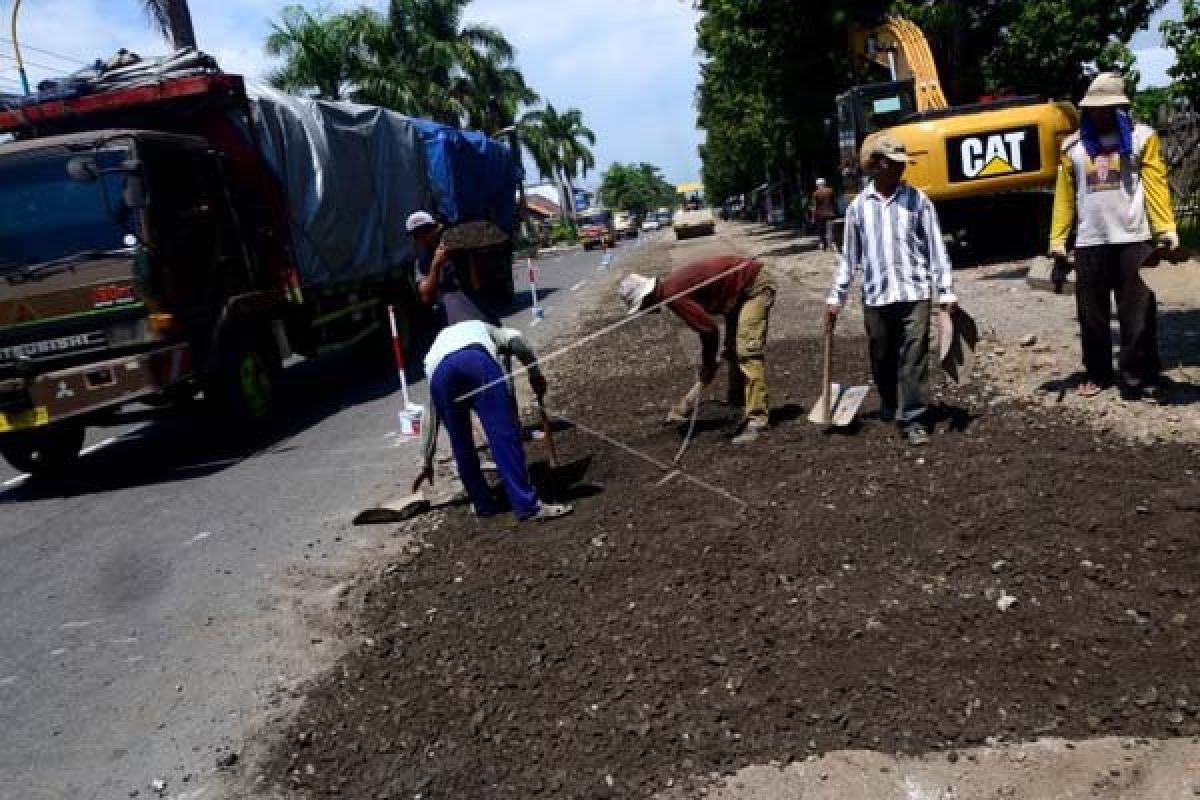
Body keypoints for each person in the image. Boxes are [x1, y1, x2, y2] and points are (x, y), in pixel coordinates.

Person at [1049, 72, 1179, 402]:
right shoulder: (1073, 147)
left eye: (1108, 108)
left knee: (1138, 314)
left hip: (1134, 237)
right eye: (1096, 108)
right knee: (1091, 315)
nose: (1101, 113)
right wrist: (1058, 239)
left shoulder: (1141, 138)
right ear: (1087, 109)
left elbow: (1155, 185)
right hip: (1091, 240)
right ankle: (1097, 373)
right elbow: (1064, 197)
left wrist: (1166, 229)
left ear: (1120, 106)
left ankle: (1140, 376)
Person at [826, 133, 956, 446]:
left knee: (914, 354)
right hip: (876, 295)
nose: (900, 169)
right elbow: (850, 257)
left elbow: (936, 249)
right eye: (894, 163)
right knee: (881, 353)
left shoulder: (918, 201)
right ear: (878, 165)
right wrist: (836, 298)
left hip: (914, 293)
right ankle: (889, 401)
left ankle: (913, 417)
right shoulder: (859, 208)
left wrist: (946, 291)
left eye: (902, 164)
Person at [412, 319, 572, 522]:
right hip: (476, 363)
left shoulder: (436, 349)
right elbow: (517, 340)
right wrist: (535, 374)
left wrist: (425, 461)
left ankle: (483, 504)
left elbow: (430, 410)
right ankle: (528, 507)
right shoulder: (489, 329)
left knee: (461, 443)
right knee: (503, 434)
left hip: (440, 378)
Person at [618, 256, 776, 444]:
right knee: (733, 351)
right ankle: (737, 404)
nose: (644, 311)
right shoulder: (670, 290)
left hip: (754, 285)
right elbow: (707, 329)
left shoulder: (673, 296)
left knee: (747, 352)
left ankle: (758, 421)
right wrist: (709, 363)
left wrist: (708, 364)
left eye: (642, 307)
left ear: (647, 298)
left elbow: (709, 330)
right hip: (738, 294)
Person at [406, 210, 500, 327]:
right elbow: (425, 297)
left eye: (425, 231)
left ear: (436, 228)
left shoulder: (457, 243)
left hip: (474, 303)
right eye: (417, 235)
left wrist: (469, 254)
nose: (422, 237)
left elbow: (480, 281)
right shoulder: (421, 261)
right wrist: (436, 265)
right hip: (448, 313)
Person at [811, 178, 837, 251]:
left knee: (821, 230)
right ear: (824, 183)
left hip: (820, 215)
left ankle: (822, 244)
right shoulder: (830, 191)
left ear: (818, 185)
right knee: (830, 229)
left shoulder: (816, 193)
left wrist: (813, 217)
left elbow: (814, 206)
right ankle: (832, 244)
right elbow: (833, 202)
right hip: (830, 213)